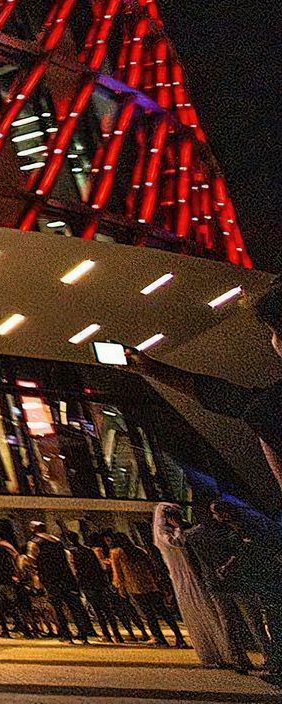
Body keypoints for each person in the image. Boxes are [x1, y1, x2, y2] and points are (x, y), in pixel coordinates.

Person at [129, 285, 282, 493]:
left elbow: (230, 399)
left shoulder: (269, 410)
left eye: (273, 332)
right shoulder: (267, 406)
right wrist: (152, 368)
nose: (272, 341)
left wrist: (152, 369)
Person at [192, 497, 282, 681]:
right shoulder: (233, 530)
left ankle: (244, 659)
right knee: (252, 620)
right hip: (234, 582)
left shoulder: (198, 534)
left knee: (234, 622)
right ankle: (268, 658)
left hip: (223, 583)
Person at [155, 503, 245, 669]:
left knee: (221, 615)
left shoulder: (192, 531)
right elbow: (177, 542)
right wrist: (178, 528)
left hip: (198, 575)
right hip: (184, 576)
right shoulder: (166, 534)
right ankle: (220, 653)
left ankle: (228, 653)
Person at [113, 530, 183, 648]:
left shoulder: (117, 553)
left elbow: (118, 572)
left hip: (135, 587)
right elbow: (152, 568)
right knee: (164, 612)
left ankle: (159, 638)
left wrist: (120, 588)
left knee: (149, 614)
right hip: (150, 585)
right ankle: (179, 637)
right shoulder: (139, 551)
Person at [27, 521, 93, 643]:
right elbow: (66, 557)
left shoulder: (34, 543)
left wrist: (37, 577)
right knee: (74, 606)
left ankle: (66, 634)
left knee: (57, 607)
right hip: (66, 576)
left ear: (33, 529)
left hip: (50, 578)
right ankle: (83, 634)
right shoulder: (56, 541)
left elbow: (31, 561)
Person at [64, 530, 120, 644]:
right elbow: (99, 566)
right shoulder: (88, 550)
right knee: (107, 609)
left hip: (86, 583)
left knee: (98, 610)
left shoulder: (72, 553)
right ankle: (117, 634)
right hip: (97, 582)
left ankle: (107, 635)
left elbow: (73, 569)